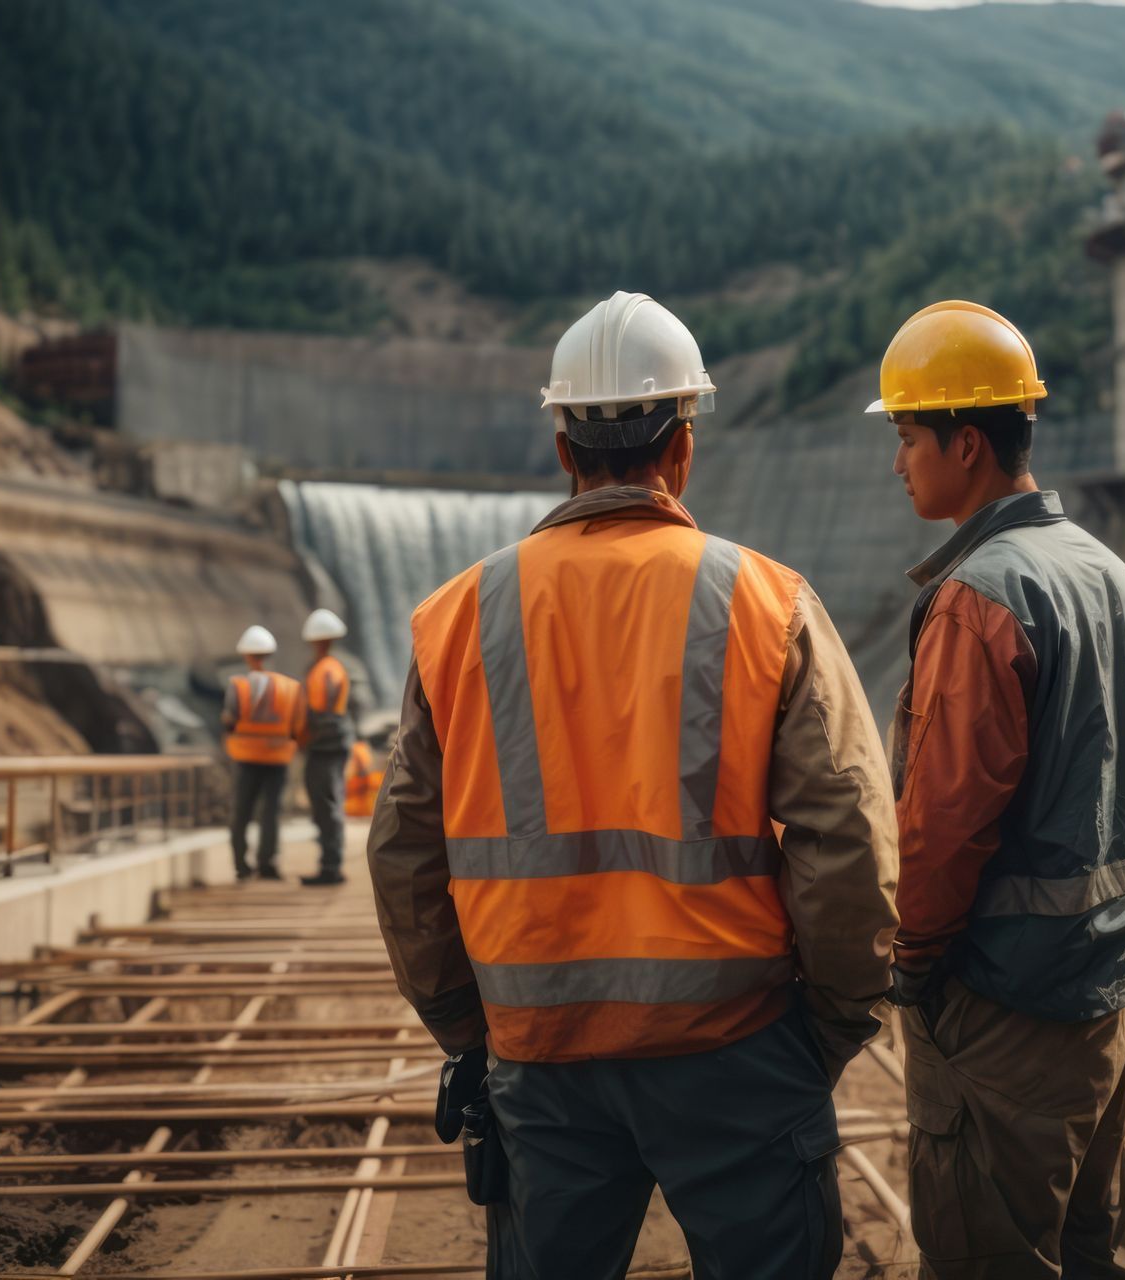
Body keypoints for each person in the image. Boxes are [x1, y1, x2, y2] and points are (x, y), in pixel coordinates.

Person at [369, 290, 899, 1280]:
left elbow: (403, 851)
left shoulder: (460, 616)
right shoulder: (765, 602)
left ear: (562, 447)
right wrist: (830, 1024)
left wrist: (468, 1027)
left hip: (538, 1053)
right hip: (734, 1048)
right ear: (683, 444)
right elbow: (849, 836)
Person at [870, 300, 1125, 1279]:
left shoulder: (981, 596)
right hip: (1111, 992)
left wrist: (911, 961)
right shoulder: (1111, 576)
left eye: (908, 437)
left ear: (966, 443)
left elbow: (944, 824)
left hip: (1008, 1011)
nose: (898, 462)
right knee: (1091, 1253)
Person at [221, 624, 305, 882]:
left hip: (245, 757)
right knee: (271, 813)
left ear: (247, 655)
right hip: (278, 757)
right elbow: (298, 725)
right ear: (270, 655)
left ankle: (241, 866)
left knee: (242, 812)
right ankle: (267, 865)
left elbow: (229, 719)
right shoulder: (290, 686)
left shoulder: (238, 686)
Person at [298, 607, 355, 887]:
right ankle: (330, 864)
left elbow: (325, 713)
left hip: (325, 747)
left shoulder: (326, 671)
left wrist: (305, 735)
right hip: (329, 745)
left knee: (326, 806)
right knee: (326, 805)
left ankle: (330, 867)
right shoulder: (330, 667)